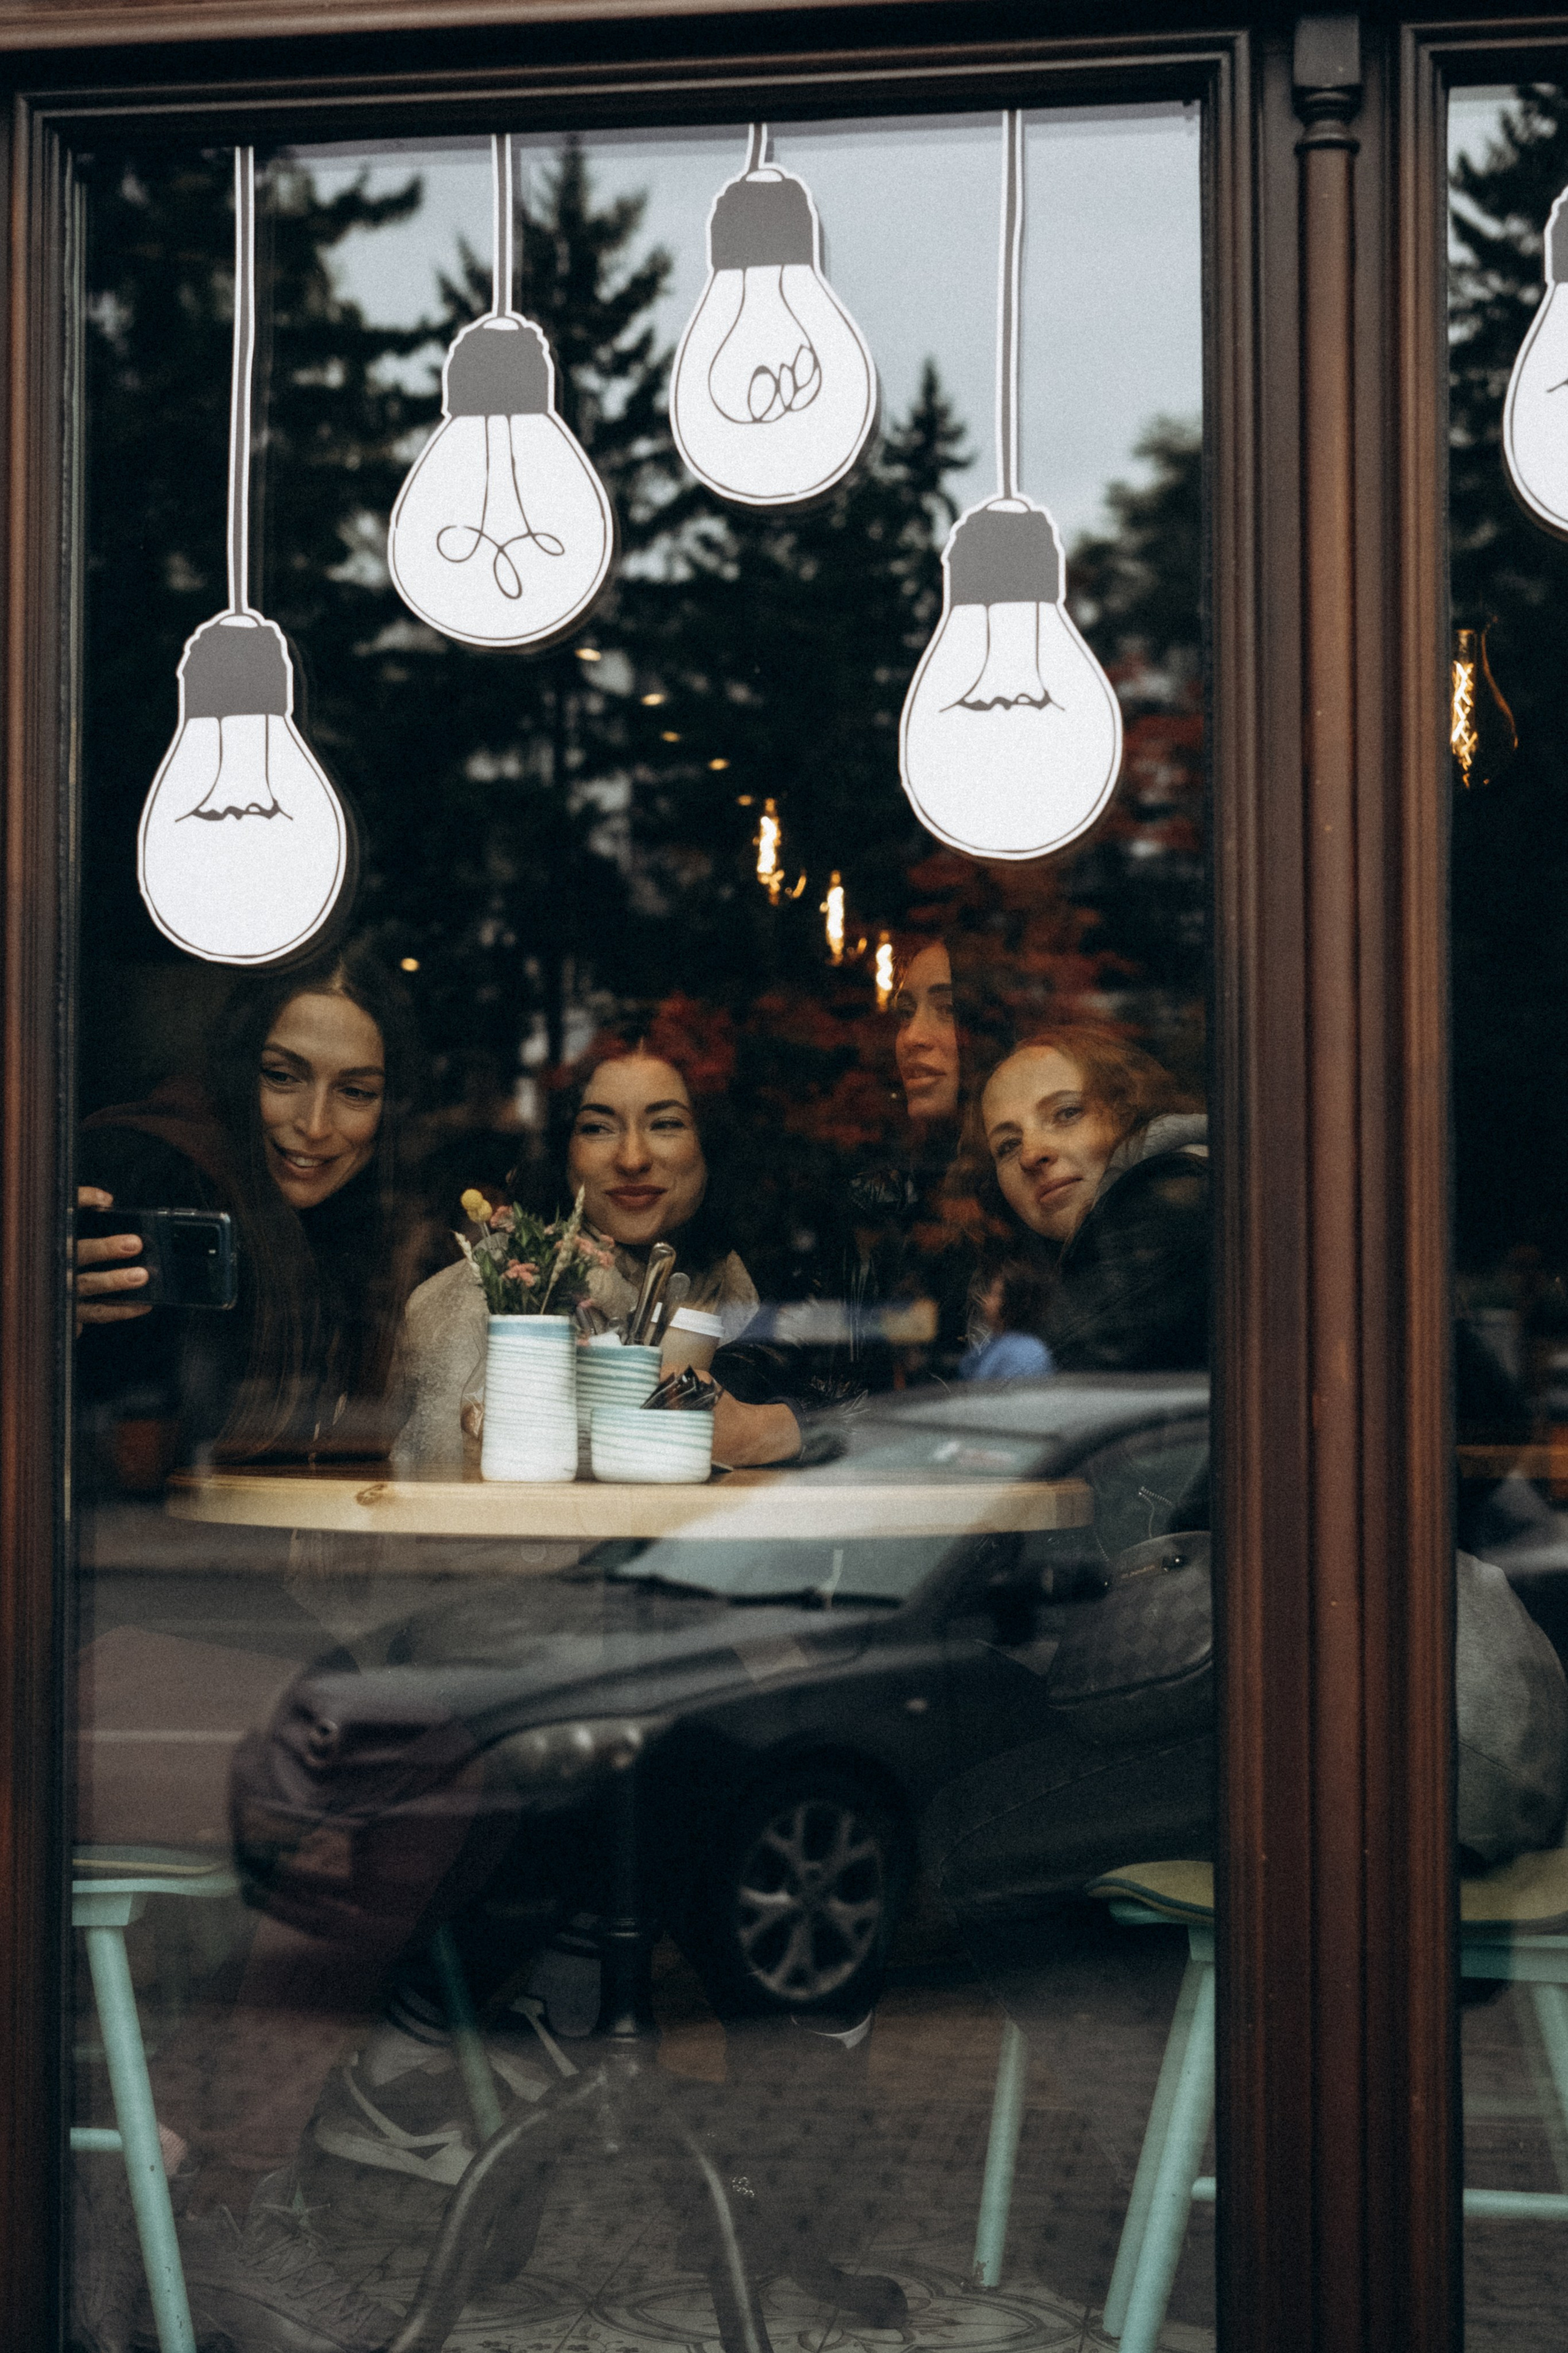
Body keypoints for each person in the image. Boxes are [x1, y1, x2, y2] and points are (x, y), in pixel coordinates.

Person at [75, 940, 426, 1462]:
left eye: (356, 1092)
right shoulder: (146, 1170)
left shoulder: (374, 1221)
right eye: (282, 1076)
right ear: (237, 1073)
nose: (314, 1124)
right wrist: (34, 1315)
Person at [399, 1033, 803, 1470]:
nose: (632, 1158)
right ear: (561, 1150)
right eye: (597, 1127)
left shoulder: (741, 1282)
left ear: (711, 1143)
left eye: (665, 1123)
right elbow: (444, 1501)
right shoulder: (488, 1299)